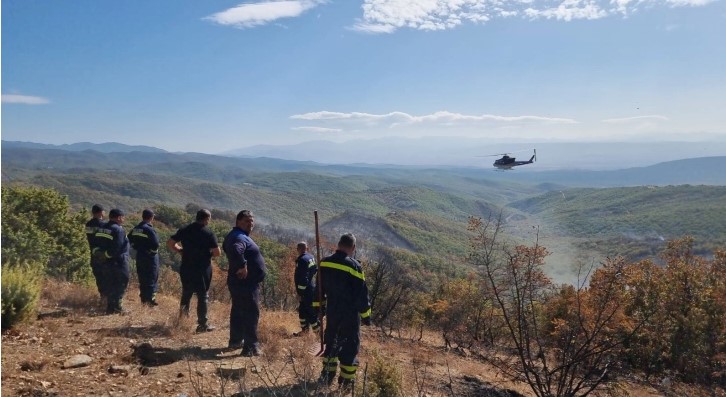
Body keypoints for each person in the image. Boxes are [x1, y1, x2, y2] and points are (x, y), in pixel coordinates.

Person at [315, 233, 372, 391]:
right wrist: (367, 317)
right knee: (349, 346)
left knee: (331, 341)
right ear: (353, 248)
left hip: (333, 312)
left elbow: (319, 290)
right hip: (350, 315)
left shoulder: (325, 263)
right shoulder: (354, 267)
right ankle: (346, 382)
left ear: (338, 244)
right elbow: (362, 295)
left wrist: (319, 308)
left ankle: (327, 375)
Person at [167, 209, 221, 333]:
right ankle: (202, 324)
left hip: (186, 266)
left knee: (186, 293)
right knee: (202, 295)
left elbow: (170, 243)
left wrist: (180, 250)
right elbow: (217, 253)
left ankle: (183, 321)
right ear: (207, 219)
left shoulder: (185, 230)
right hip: (202, 268)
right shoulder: (209, 233)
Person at [223, 210, 267, 356]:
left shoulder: (235, 235)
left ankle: (235, 340)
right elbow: (236, 250)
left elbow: (227, 248)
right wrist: (242, 265)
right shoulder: (238, 237)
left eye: (252, 220)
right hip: (246, 283)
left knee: (238, 311)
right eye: (247, 221)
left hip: (238, 282)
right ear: (238, 221)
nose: (251, 223)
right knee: (250, 313)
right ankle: (250, 347)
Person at [94, 209, 130, 314]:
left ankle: (110, 307)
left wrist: (101, 255)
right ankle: (117, 307)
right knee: (121, 283)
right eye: (123, 217)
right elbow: (117, 248)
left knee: (110, 283)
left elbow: (96, 244)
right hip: (118, 262)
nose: (123, 219)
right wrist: (108, 255)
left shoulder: (101, 228)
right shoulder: (118, 230)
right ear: (119, 217)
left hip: (104, 262)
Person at [128, 209, 160, 306]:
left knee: (142, 278)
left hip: (140, 257)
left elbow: (128, 239)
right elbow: (155, 244)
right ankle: (150, 301)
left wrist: (136, 247)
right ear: (151, 217)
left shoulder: (136, 228)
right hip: (150, 258)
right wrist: (152, 252)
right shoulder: (149, 229)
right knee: (151, 278)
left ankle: (143, 300)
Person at [293, 241, 319, 336]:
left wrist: (300, 293)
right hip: (311, 288)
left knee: (310, 313)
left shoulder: (301, 260)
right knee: (302, 312)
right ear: (307, 248)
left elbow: (303, 278)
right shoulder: (311, 257)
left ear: (298, 249)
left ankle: (319, 335)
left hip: (306, 291)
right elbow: (314, 270)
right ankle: (304, 332)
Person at [85, 204, 107, 300]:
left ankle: (102, 296)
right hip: (103, 255)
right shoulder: (103, 225)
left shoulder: (88, 224)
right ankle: (106, 299)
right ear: (101, 212)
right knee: (106, 277)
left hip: (93, 253)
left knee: (99, 278)